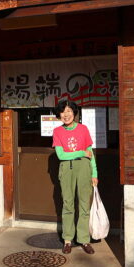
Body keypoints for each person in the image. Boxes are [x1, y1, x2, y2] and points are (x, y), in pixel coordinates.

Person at [52, 100, 98, 255]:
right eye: (63, 112)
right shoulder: (57, 132)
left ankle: (84, 239)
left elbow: (90, 153)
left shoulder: (83, 129)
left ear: (74, 113)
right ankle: (67, 240)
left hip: (84, 168)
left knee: (85, 204)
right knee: (68, 204)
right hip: (66, 169)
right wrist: (80, 152)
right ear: (59, 115)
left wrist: (94, 173)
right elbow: (61, 155)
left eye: (69, 111)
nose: (66, 114)